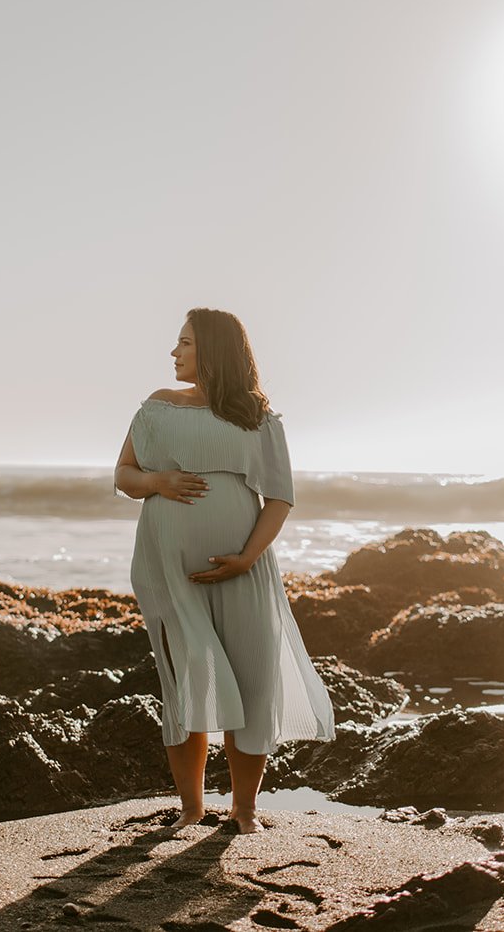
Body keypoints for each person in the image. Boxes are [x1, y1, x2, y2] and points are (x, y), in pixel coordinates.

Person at [112, 308, 335, 833]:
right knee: (185, 681)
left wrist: (248, 557)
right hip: (166, 569)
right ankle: (191, 808)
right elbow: (124, 473)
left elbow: (279, 497)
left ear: (212, 349)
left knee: (253, 681)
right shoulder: (156, 407)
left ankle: (244, 809)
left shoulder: (258, 418)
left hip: (244, 568)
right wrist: (159, 482)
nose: (174, 353)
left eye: (185, 343)